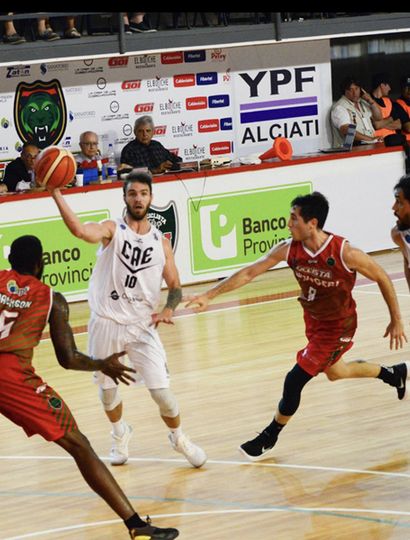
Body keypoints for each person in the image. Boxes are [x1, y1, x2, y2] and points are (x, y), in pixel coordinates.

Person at [186, 191, 408, 462]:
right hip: (314, 322)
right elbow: (249, 272)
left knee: (294, 380)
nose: (288, 224)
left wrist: (395, 318)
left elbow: (382, 277)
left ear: (311, 223)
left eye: (293, 219)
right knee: (337, 372)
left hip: (339, 327)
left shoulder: (344, 252)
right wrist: (209, 295)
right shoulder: (288, 248)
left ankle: (269, 436)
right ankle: (393, 374)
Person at [0, 235, 179, 540]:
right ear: (40, 263)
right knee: (79, 446)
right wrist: (101, 364)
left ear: (10, 262)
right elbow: (68, 358)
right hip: (11, 377)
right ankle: (136, 525)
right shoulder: (51, 298)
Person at [48, 171, 207, 469]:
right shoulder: (112, 229)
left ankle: (178, 437)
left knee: (163, 396)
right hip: (106, 323)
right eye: (132, 193)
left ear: (150, 198)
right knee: (107, 393)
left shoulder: (161, 242)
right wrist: (56, 193)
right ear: (124, 197)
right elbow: (81, 231)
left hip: (142, 326)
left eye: (143, 194)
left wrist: (170, 309)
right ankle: (120, 432)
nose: (138, 198)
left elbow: (174, 287)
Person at [330, 76, 383, 146]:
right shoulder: (340, 107)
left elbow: (378, 118)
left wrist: (371, 100)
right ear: (344, 91)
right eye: (350, 90)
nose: (354, 93)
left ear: (361, 89)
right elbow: (346, 130)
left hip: (368, 145)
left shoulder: (363, 102)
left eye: (356, 89)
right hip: (350, 149)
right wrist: (370, 139)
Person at [370, 72, 410, 139]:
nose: (390, 88)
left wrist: (380, 124)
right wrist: (391, 119)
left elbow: (399, 125)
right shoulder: (367, 102)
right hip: (377, 143)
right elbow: (372, 125)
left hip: (393, 143)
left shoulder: (389, 102)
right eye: (388, 85)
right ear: (382, 85)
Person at [396, 76, 410, 142]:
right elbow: (408, 128)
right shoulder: (398, 104)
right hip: (406, 142)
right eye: (406, 87)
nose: (409, 90)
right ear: (402, 88)